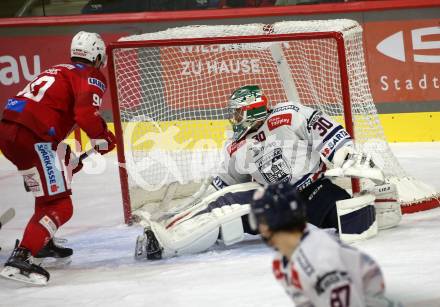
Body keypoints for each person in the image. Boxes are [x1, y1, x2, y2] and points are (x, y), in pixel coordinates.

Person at [134, 85, 400, 260]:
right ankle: (167, 240)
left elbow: (324, 130)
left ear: (251, 110)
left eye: (237, 113)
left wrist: (344, 154)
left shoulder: (287, 114)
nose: (234, 119)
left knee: (353, 221)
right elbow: (225, 185)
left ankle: (379, 203)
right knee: (224, 218)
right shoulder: (237, 147)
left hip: (315, 190)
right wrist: (194, 209)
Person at [0, 31, 116, 285]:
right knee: (61, 205)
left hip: (9, 132)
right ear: (97, 56)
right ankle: (22, 258)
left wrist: (66, 159)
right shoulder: (91, 75)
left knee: (51, 188)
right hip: (34, 136)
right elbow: (86, 116)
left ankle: (42, 241)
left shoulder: (57, 70)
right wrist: (103, 136)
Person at [250, 182, 402, 307]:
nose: (259, 226)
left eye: (261, 219)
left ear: (276, 220)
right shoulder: (281, 262)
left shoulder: (320, 257)